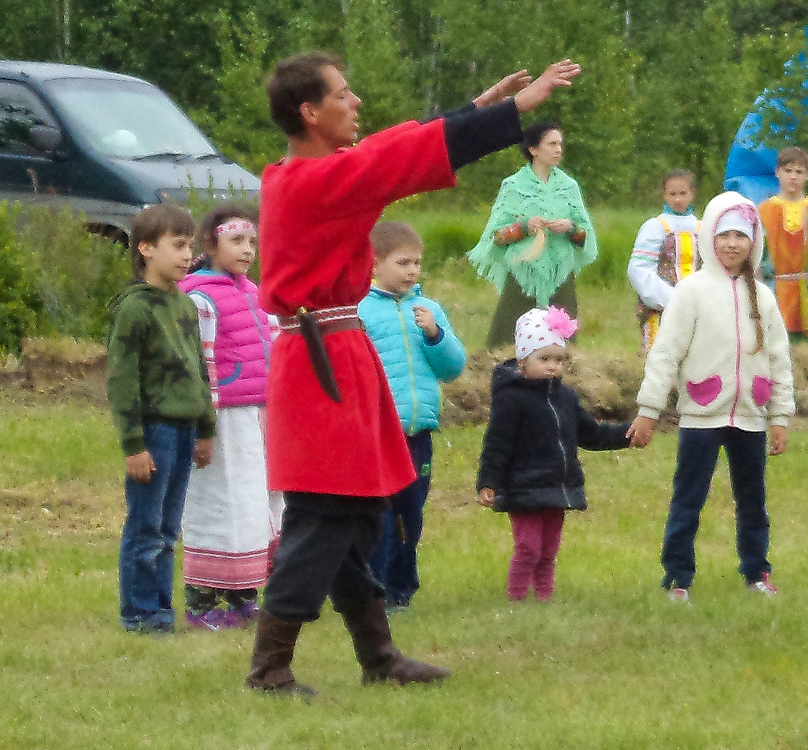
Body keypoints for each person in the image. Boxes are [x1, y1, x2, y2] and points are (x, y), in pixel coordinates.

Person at [246, 50, 576, 697]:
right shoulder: (316, 181)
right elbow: (398, 156)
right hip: (322, 362)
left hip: (332, 352)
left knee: (350, 511)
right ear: (311, 111)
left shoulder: (313, 172)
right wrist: (514, 114)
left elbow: (398, 145)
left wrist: (478, 109)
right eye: (344, 94)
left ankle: (377, 655)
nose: (357, 102)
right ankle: (270, 667)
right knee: (324, 513)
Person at [627, 193, 795, 601]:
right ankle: (677, 578)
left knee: (752, 500)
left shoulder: (765, 297)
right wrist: (649, 410)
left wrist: (779, 417)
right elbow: (665, 354)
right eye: (724, 236)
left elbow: (779, 360)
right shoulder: (691, 292)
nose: (732, 244)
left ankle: (756, 572)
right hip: (703, 415)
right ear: (710, 239)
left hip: (751, 416)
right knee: (689, 498)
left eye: (741, 236)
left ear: (753, 243)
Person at [108, 203, 214, 634]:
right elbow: (122, 380)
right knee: (146, 524)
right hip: (155, 430)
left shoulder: (185, 306)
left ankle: (161, 611)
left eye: (190, 246)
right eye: (178, 245)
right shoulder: (135, 308)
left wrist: (206, 428)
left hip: (186, 429)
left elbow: (200, 370)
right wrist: (133, 444)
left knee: (169, 527)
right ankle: (138, 612)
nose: (187, 255)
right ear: (146, 249)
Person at [476, 308, 631, 602]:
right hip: (523, 487)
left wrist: (628, 434)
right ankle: (517, 599)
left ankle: (544, 598)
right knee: (528, 548)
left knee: (548, 550)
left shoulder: (566, 398)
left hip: (557, 487)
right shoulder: (511, 398)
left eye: (559, 359)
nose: (552, 366)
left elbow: (591, 434)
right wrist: (489, 482)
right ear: (523, 361)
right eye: (543, 358)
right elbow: (497, 444)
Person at [177, 205, 278, 631]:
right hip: (222, 418)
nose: (247, 249)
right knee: (218, 504)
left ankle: (242, 596)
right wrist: (205, 423)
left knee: (253, 503)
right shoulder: (199, 298)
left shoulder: (254, 292)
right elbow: (200, 364)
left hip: (257, 415)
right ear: (210, 244)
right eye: (236, 240)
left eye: (251, 241)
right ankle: (201, 602)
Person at [358, 221, 467, 612]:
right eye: (403, 262)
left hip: (418, 431)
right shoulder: (360, 311)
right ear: (375, 264)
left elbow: (453, 368)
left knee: (412, 511)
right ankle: (377, 588)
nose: (412, 271)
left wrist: (435, 335)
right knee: (381, 514)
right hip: (379, 432)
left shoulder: (429, 309)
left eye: (417, 263)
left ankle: (403, 586)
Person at [470, 123, 598, 348]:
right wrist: (525, 227)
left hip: (560, 273)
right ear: (533, 149)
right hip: (522, 273)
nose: (559, 149)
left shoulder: (569, 187)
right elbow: (496, 236)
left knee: (562, 343)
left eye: (560, 144)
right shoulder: (513, 187)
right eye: (552, 144)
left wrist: (568, 227)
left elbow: (584, 237)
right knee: (508, 343)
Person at [759, 147, 808, 339]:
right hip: (773, 289)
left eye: (799, 172)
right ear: (777, 172)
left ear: (807, 176)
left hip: (806, 293)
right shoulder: (763, 211)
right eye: (788, 171)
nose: (793, 177)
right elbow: (756, 258)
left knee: (805, 352)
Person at [630, 170, 704, 351]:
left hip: (697, 306)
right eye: (672, 194)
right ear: (664, 195)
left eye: (683, 194)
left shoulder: (702, 227)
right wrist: (672, 299)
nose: (678, 200)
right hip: (661, 306)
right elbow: (639, 269)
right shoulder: (654, 227)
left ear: (692, 194)